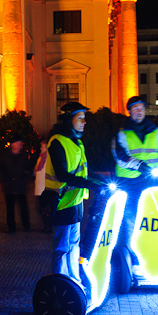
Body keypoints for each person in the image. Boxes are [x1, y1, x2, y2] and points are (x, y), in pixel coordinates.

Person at [112, 95, 158, 252]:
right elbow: (120, 157)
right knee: (132, 219)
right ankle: (133, 254)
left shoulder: (157, 132)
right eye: (135, 109)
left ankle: (154, 250)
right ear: (129, 111)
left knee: (155, 217)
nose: (139, 112)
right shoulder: (122, 134)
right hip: (129, 183)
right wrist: (139, 165)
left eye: (141, 108)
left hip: (152, 181)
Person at [44, 102, 102, 285]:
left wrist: (99, 181)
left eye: (84, 118)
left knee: (74, 246)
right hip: (62, 202)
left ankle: (73, 282)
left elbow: (83, 172)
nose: (84, 122)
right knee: (61, 248)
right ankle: (59, 284)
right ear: (68, 120)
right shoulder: (57, 141)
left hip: (76, 203)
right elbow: (62, 174)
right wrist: (90, 184)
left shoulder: (77, 142)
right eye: (80, 118)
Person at [0, 134, 34, 233]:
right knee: (10, 208)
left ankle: (26, 225)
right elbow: (0, 168)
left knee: (23, 206)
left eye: (20, 144)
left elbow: (29, 168)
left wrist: (25, 178)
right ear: (12, 144)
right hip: (8, 186)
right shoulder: (5, 154)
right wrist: (4, 179)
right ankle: (11, 227)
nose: (20, 145)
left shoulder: (24, 155)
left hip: (21, 185)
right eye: (18, 143)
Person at [34, 140, 51, 232]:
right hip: (39, 188)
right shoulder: (41, 158)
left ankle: (48, 227)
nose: (41, 148)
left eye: (43, 147)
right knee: (41, 208)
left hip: (45, 188)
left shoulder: (48, 159)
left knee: (44, 209)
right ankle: (46, 226)